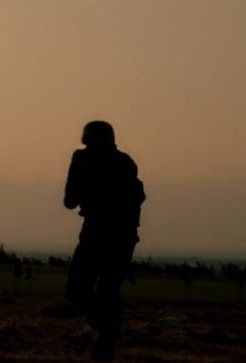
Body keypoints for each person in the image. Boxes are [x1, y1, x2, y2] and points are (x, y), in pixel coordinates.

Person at [64, 120, 145, 361]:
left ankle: (103, 325)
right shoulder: (126, 162)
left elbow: (69, 200)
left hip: (96, 233)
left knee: (77, 289)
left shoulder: (82, 158)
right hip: (123, 237)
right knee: (109, 291)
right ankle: (106, 335)